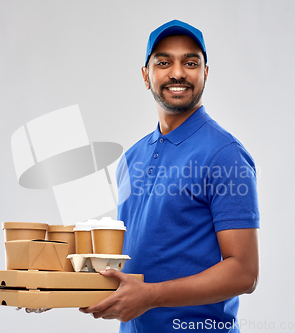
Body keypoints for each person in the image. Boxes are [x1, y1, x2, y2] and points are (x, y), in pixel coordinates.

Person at [80, 19, 260, 333]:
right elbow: (135, 261)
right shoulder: (131, 158)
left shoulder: (224, 154)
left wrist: (151, 296)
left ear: (205, 73)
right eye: (164, 62)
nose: (177, 73)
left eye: (190, 62)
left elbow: (244, 273)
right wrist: (53, 290)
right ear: (145, 76)